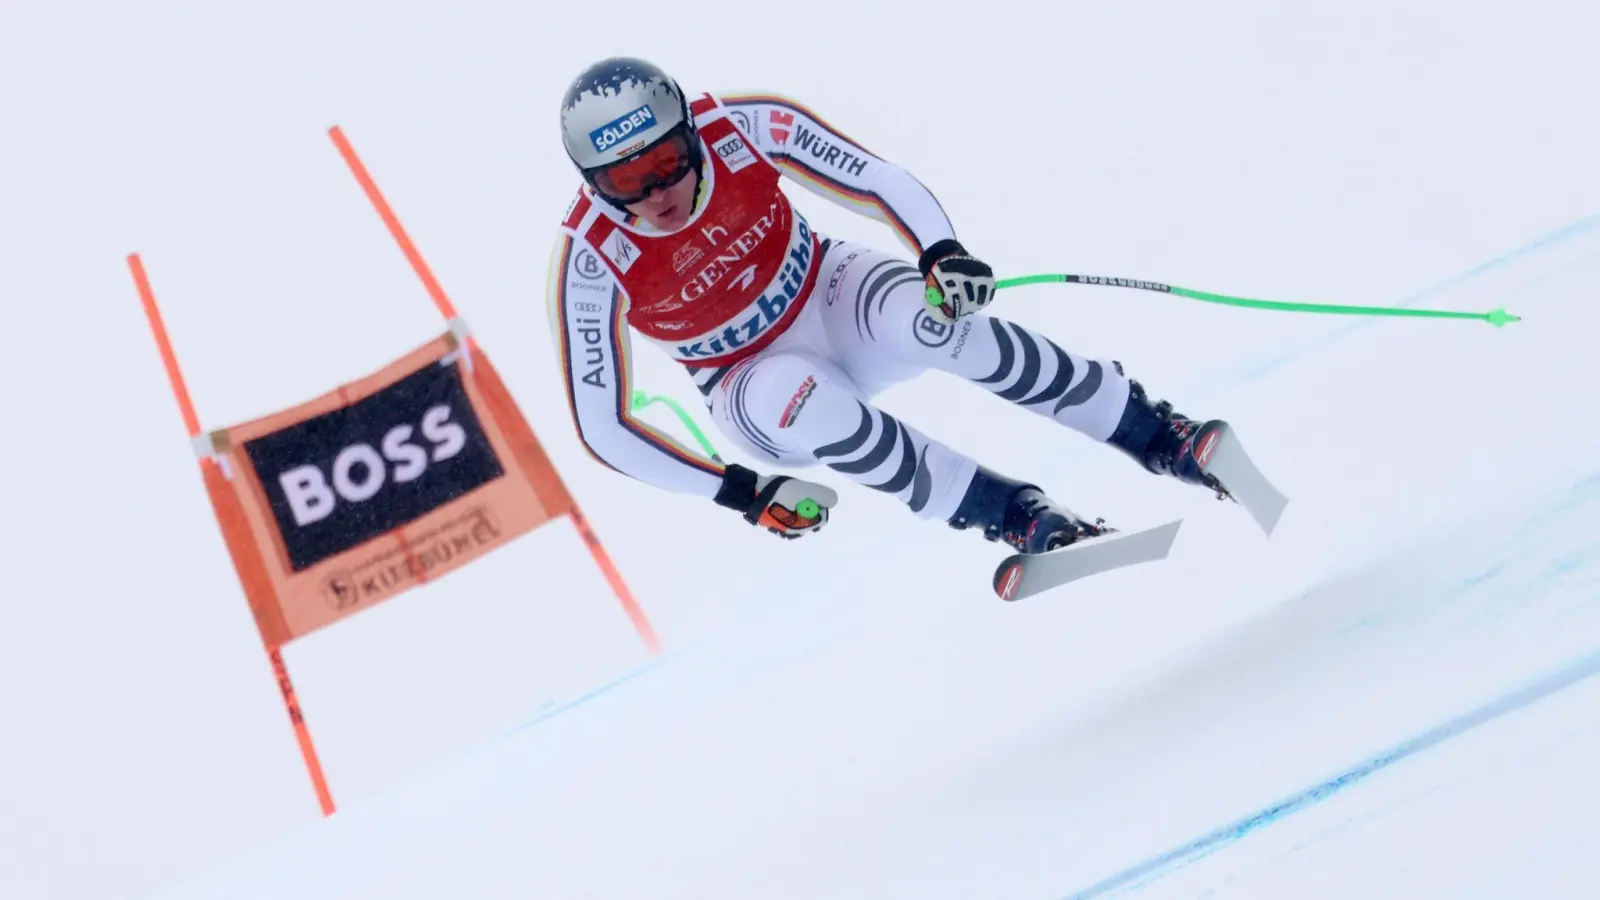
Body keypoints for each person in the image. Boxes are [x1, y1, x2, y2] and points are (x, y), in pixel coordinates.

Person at [545, 57, 1228, 554]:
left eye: (665, 160)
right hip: (747, 380)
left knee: (939, 324)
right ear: (592, 183)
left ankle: (1152, 431)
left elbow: (872, 178)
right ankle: (1014, 514)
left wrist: (940, 253)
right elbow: (602, 426)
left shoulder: (742, 125)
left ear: (690, 133)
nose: (657, 192)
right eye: (626, 181)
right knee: (810, 403)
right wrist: (741, 493)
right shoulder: (590, 258)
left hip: (828, 289)